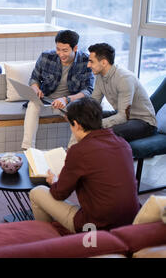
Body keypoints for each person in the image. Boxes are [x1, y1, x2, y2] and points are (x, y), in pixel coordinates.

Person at [29, 97, 140, 233]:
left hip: (96, 225)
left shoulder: (79, 151)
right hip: (131, 220)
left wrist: (54, 182)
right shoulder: (123, 143)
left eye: (70, 125)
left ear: (76, 124)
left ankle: (46, 238)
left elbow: (59, 194)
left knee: (36, 192)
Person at [21, 30, 94, 150]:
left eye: (65, 50)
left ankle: (72, 151)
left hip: (69, 104)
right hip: (46, 101)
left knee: (81, 113)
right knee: (33, 104)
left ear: (75, 48)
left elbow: (88, 90)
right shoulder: (46, 57)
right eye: (58, 49)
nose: (60, 54)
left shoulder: (86, 61)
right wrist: (35, 89)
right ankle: (28, 149)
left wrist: (67, 99)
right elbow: (34, 79)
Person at [87, 43, 157, 142]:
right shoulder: (100, 76)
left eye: (91, 62)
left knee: (106, 131)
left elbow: (122, 117)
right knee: (85, 118)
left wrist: (96, 125)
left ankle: (100, 156)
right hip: (123, 114)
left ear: (103, 62)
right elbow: (93, 104)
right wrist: (81, 115)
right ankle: (72, 152)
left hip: (143, 122)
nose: (88, 65)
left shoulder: (124, 78)